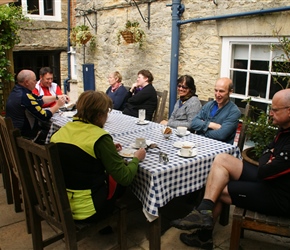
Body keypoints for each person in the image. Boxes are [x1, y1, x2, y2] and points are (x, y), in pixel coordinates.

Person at [171, 88, 290, 249]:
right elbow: (266, 151)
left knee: (217, 188)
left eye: (275, 110)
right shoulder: (284, 129)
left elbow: (264, 171)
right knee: (222, 159)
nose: (270, 113)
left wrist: (268, 157)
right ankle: (204, 212)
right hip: (270, 179)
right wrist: (270, 156)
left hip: (279, 195)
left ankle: (204, 236)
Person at [50, 90, 146, 222]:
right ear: (100, 115)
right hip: (89, 210)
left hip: (61, 203)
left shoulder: (61, 131)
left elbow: (80, 154)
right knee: (120, 176)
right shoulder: (100, 138)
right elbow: (125, 178)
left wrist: (107, 149)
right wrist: (136, 158)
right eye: (107, 112)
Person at [6, 69, 66, 140]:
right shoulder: (25, 97)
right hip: (25, 137)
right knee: (58, 135)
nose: (36, 82)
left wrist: (56, 97)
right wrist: (58, 105)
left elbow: (37, 99)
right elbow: (44, 116)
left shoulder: (17, 91)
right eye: (34, 80)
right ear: (26, 82)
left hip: (15, 133)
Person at [190, 77, 241, 144]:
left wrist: (202, 130)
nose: (217, 94)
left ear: (230, 91)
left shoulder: (234, 112)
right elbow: (194, 123)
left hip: (220, 149)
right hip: (201, 144)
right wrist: (211, 125)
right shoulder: (209, 105)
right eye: (216, 90)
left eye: (221, 91)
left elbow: (221, 135)